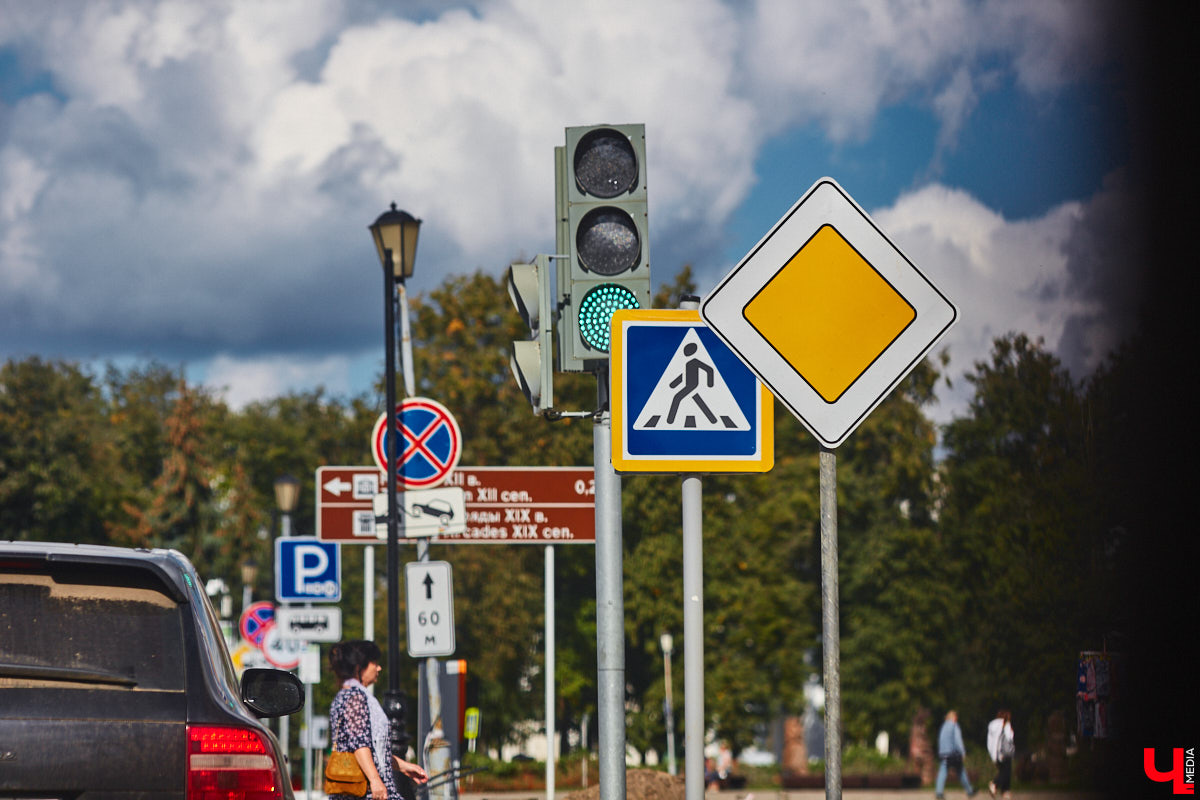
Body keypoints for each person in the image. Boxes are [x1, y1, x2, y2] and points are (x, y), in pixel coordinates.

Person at [329, 640, 428, 800]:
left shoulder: (349, 696)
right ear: (359, 667)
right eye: (374, 663)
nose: (378, 668)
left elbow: (373, 750)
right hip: (365, 791)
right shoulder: (354, 698)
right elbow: (360, 746)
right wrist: (375, 780)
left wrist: (403, 767)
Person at [936, 710, 976, 799]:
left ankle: (939, 792)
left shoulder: (943, 726)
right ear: (954, 717)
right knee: (961, 771)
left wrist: (941, 751)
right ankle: (969, 790)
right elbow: (958, 740)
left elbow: (940, 740)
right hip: (953, 753)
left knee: (942, 772)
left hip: (943, 753)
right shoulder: (954, 726)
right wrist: (962, 752)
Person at [986, 710, 1015, 799]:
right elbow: (1009, 738)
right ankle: (995, 784)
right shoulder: (1005, 725)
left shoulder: (992, 727)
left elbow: (991, 743)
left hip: (996, 753)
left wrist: (993, 756)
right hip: (1004, 753)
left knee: (1004, 771)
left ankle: (1005, 791)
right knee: (1006, 772)